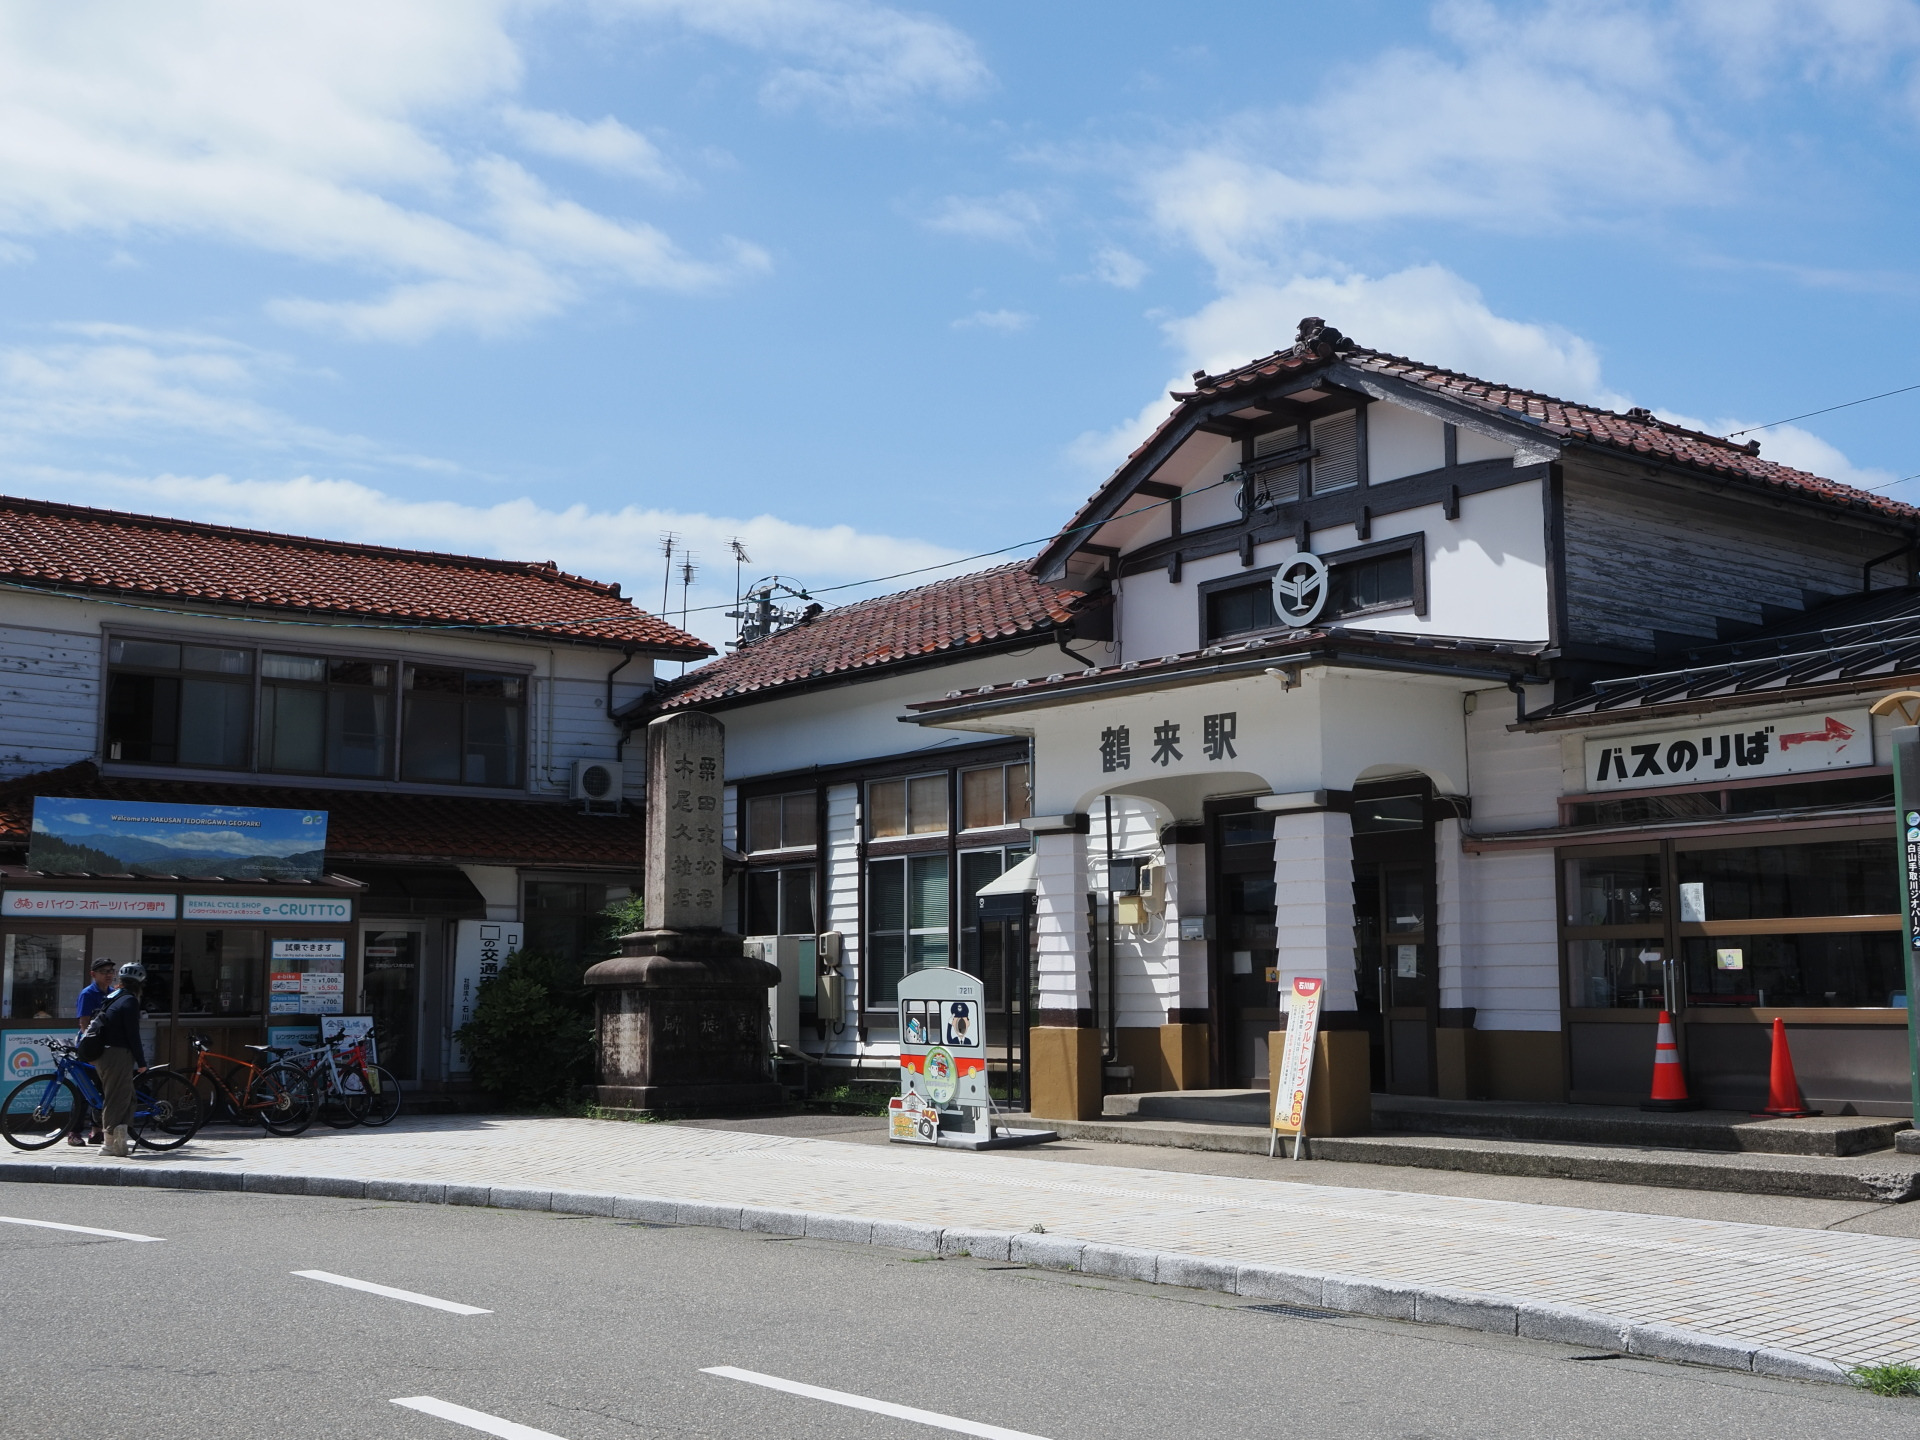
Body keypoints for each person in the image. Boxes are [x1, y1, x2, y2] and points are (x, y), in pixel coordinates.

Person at [93, 962, 147, 1158]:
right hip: (117, 1054)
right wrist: (142, 1062)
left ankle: (119, 1143)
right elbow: (133, 1035)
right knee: (115, 1098)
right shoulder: (130, 1001)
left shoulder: (112, 997)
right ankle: (108, 1145)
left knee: (126, 1097)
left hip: (103, 1054)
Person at [69, 958, 118, 1147]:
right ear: (93, 974)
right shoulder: (88, 994)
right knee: (84, 1091)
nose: (108, 975)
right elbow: (84, 1023)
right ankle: (74, 1132)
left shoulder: (113, 993)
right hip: (89, 1048)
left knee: (102, 1090)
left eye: (111, 971)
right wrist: (90, 1049)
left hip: (106, 1048)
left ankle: (96, 1131)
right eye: (103, 971)